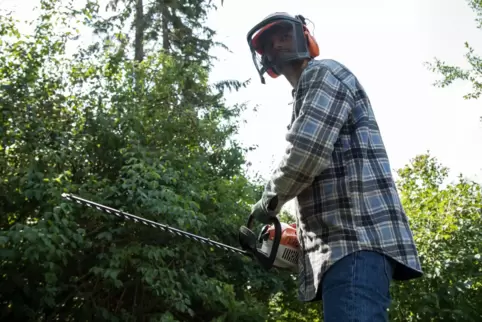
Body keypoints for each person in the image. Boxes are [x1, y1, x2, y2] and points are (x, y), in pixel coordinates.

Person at [245, 12, 423, 321]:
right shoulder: (307, 93)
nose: (276, 45)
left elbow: (305, 153)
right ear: (265, 60)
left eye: (283, 35)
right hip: (344, 251)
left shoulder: (323, 73)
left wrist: (267, 203)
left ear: (305, 38)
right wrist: (295, 242)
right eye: (268, 44)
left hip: (354, 245)